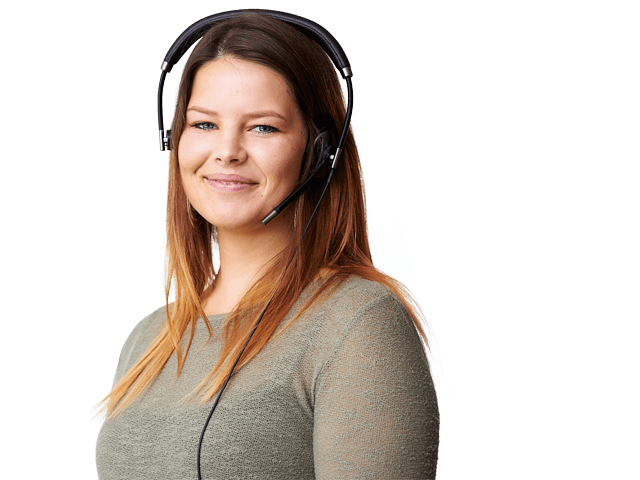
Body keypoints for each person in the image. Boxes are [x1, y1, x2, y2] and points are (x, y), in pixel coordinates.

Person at [87, 10, 440, 479]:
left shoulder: (358, 323)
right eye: (204, 124)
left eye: (263, 127)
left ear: (319, 153)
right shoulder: (149, 338)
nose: (227, 151)